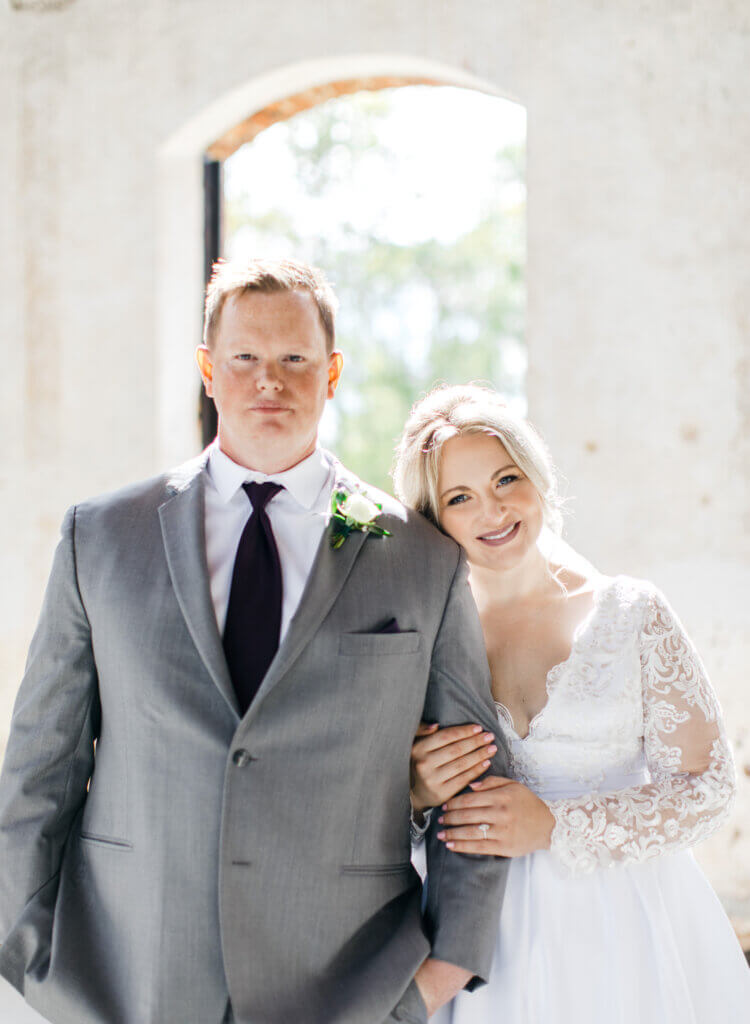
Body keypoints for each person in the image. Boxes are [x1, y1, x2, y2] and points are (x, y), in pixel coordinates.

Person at [0, 261, 510, 1024]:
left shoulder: (421, 558)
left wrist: (443, 970)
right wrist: (27, 951)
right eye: (244, 357)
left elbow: (475, 782)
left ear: (331, 373)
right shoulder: (99, 538)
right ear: (209, 370)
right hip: (128, 975)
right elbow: (41, 765)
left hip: (345, 981)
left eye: (294, 359)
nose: (268, 380)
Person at [396, 383, 750, 1023]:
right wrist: (415, 794)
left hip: (627, 927)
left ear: (536, 473)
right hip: (479, 942)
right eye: (460, 498)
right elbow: (363, 813)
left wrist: (557, 825)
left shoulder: (630, 612)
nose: (492, 511)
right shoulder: (422, 641)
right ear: (434, 518)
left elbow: (709, 788)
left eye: (506, 479)